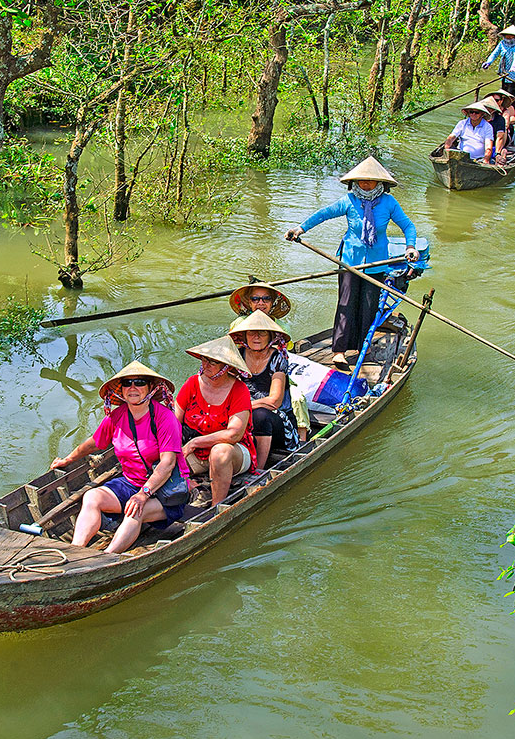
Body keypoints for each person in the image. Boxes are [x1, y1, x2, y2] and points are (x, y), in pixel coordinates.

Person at [284, 156, 419, 369]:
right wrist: (300, 229)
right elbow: (324, 214)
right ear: (354, 182)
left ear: (380, 183)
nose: (365, 184)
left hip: (377, 265)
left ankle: (362, 348)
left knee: (369, 306)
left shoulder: (389, 203)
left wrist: (410, 247)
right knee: (346, 304)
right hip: (350, 263)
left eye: (370, 180)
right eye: (361, 180)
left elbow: (408, 226)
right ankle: (338, 351)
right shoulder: (349, 201)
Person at [50, 361, 187, 553]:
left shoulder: (165, 418)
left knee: (135, 510)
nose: (132, 388)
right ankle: (75, 551)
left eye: (139, 382)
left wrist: (143, 494)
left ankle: (107, 558)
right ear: (120, 390)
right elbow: (93, 443)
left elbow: (168, 463)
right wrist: (68, 459)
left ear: (149, 388)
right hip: (130, 484)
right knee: (92, 497)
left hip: (164, 491)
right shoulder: (116, 417)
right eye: (127, 383)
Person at [176, 335, 256, 506]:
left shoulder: (239, 390)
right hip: (196, 453)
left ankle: (216, 507)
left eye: (213, 362)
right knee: (159, 455)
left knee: (220, 452)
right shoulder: (192, 383)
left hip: (232, 452)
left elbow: (234, 434)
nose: (206, 365)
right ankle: (192, 487)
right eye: (205, 359)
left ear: (226, 367)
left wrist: (196, 442)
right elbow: (174, 421)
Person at [229, 310, 299, 466]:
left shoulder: (277, 358)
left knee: (260, 415)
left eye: (262, 333)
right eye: (252, 333)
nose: (256, 337)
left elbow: (274, 401)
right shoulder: (237, 357)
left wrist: (241, 407)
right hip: (242, 416)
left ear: (270, 337)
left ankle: (259, 468)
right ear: (245, 336)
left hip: (278, 421)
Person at [481, 24, 515, 99]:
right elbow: (494, 54)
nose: (509, 38)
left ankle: (513, 108)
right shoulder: (502, 44)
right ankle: (503, 106)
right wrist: (488, 62)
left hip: (514, 74)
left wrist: (513, 66)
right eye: (507, 36)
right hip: (503, 71)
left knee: (513, 94)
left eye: (511, 36)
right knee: (504, 91)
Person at [479, 98, 509, 168]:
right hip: (480, 143)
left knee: (501, 151)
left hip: (493, 144)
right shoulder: (477, 117)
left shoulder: (500, 119)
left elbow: (500, 138)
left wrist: (497, 153)